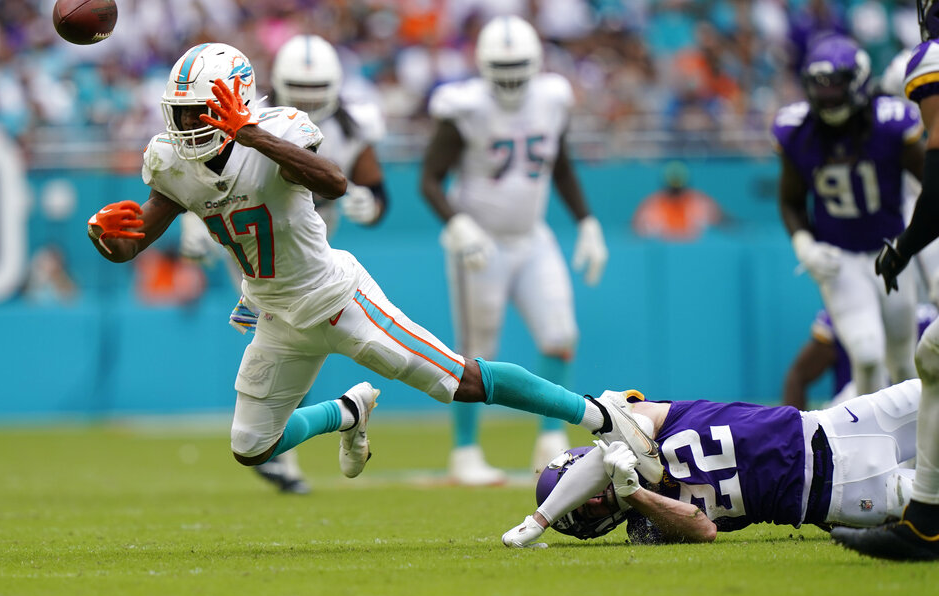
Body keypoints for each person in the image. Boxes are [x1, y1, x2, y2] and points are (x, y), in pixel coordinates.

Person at [86, 42, 658, 495]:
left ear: (234, 103)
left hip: (338, 298)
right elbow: (137, 240)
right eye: (179, 111)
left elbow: (336, 182)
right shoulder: (171, 161)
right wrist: (108, 240)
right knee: (252, 446)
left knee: (461, 380)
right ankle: (348, 411)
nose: (186, 122)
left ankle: (600, 414)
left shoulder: (277, 129)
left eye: (198, 110)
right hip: (275, 313)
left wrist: (250, 135)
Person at [177, 34, 390, 495]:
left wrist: (370, 205)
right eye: (299, 87)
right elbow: (207, 174)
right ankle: (283, 443)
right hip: (256, 248)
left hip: (311, 249)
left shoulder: (354, 128)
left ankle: (289, 439)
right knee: (280, 339)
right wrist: (192, 218)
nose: (309, 99)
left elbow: (377, 191)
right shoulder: (250, 121)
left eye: (318, 89)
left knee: (290, 341)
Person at [420, 15, 609, 485]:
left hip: (532, 236)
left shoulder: (552, 98)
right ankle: (465, 452)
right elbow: (429, 179)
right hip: (478, 245)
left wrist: (586, 221)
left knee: (560, 334)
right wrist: (458, 224)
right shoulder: (464, 105)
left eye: (517, 67)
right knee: (475, 351)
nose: (508, 79)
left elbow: (559, 165)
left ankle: (550, 437)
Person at [501, 380, 922, 547]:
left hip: (836, 426)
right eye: (581, 515)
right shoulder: (646, 528)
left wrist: (542, 517)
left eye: (578, 498)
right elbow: (703, 529)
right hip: (837, 495)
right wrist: (636, 494)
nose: (591, 504)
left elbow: (616, 424)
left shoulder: (644, 426)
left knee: (932, 367)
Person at [831, 0, 939, 561]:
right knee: (929, 355)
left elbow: (937, 183)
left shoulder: (928, 64)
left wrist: (906, 244)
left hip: (919, 225)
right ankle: (926, 513)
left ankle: (927, 520)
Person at [776, 34, 925, 398]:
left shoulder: (891, 123)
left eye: (835, 86)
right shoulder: (797, 131)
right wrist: (804, 246)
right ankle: (867, 443)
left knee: (904, 363)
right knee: (868, 353)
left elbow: (930, 183)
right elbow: (791, 200)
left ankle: (909, 444)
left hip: (891, 252)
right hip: (839, 258)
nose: (827, 97)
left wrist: (912, 242)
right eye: (820, 87)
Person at [783, 304, 938, 410]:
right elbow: (797, 376)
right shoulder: (842, 314)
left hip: (913, 415)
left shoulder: (928, 317)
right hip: (854, 420)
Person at [631, 161, 724, 241]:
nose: (676, 197)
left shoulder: (702, 204)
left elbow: (725, 226)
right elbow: (635, 232)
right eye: (672, 191)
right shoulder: (650, 206)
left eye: (678, 190)